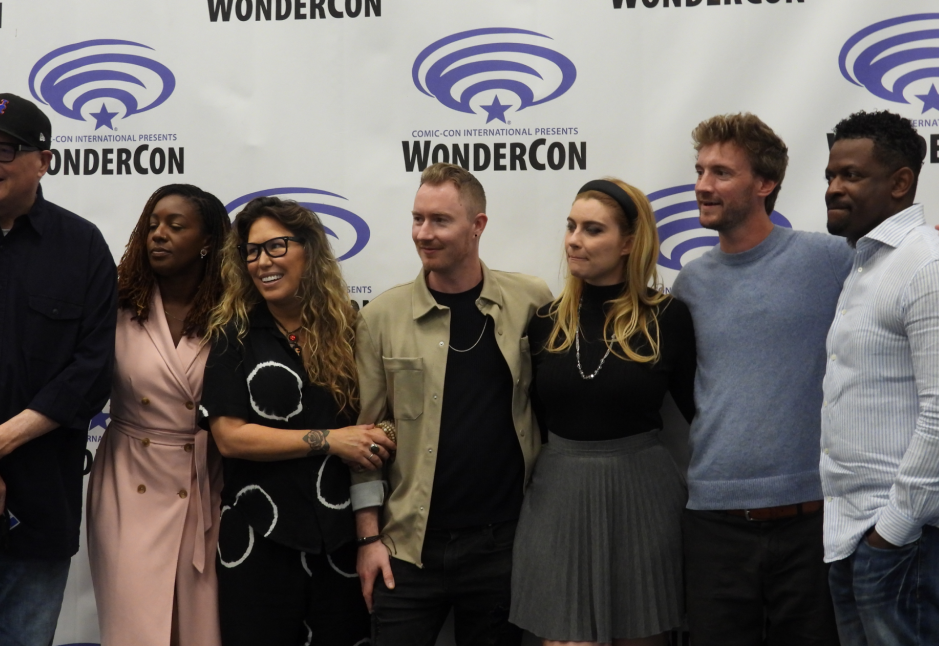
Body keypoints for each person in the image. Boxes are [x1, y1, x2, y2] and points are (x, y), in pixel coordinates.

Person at [671, 113, 939, 646]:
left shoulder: (839, 258)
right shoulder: (689, 284)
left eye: (719, 171)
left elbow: (917, 278)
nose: (701, 185)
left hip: (821, 521)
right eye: (699, 170)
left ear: (765, 184)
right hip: (718, 521)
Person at [352, 162, 552, 646]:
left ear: (477, 225)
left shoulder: (531, 301)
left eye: (440, 220)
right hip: (406, 548)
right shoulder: (382, 316)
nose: (424, 233)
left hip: (502, 546)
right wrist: (368, 539)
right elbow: (363, 440)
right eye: (418, 219)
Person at [0, 93, 117, 645]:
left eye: (5, 149)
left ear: (44, 160)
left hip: (37, 504)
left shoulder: (83, 246)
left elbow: (90, 372)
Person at [509, 179, 696, 646]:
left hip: (644, 496)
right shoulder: (545, 321)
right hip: (559, 497)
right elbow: (526, 420)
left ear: (629, 242)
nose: (574, 239)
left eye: (593, 229)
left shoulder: (667, 318)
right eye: (571, 226)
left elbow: (701, 414)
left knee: (645, 634)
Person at [200, 196, 392, 646]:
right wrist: (329, 440)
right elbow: (229, 437)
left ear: (310, 250)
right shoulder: (234, 333)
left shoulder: (350, 327)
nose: (261, 261)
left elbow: (377, 418)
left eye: (276, 247)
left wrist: (382, 433)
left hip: (342, 541)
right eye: (252, 251)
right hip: (259, 539)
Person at [821, 110, 939, 645]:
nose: (833, 188)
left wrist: (891, 536)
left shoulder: (930, 266)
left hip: (915, 544)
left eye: (851, 176)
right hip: (857, 538)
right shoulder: (866, 266)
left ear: (901, 181)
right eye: (830, 177)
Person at [86, 184, 232, 646]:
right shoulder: (115, 303)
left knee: (201, 626)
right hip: (129, 479)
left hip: (205, 483)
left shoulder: (233, 311)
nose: (158, 235)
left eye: (175, 225)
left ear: (207, 241)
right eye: (152, 225)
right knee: (134, 625)